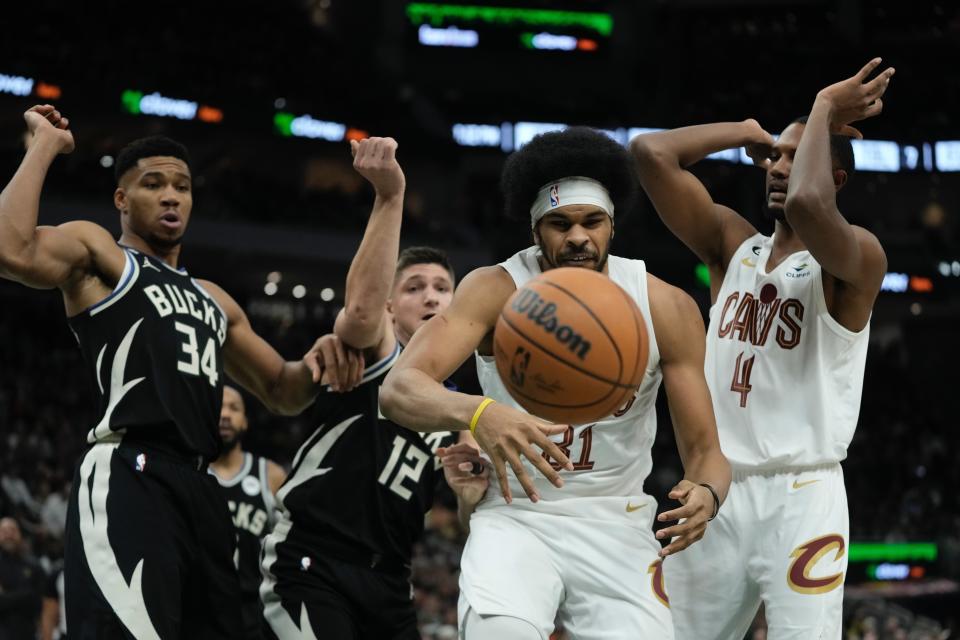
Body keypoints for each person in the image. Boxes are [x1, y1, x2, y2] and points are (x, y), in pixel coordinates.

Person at [0, 105, 361, 639]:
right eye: (153, 184)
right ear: (122, 200)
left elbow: (283, 391)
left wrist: (321, 358)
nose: (172, 195)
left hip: (200, 487)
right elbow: (11, 248)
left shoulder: (214, 298)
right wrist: (44, 146)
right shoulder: (103, 256)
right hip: (130, 470)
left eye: (183, 186)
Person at [381, 126, 731, 639]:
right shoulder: (493, 289)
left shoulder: (664, 305)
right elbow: (398, 389)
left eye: (592, 221)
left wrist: (707, 493)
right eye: (558, 223)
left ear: (613, 226)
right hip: (517, 517)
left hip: (619, 523)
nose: (577, 237)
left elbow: (707, 452)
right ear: (534, 231)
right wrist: (481, 413)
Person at [629, 58, 894, 639]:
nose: (778, 167)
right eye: (774, 156)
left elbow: (807, 207)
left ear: (835, 178)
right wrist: (745, 131)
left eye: (796, 158)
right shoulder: (731, 246)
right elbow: (650, 154)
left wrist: (824, 107)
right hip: (715, 486)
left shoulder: (858, 260)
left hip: (804, 495)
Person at [259, 133, 461, 639]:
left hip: (391, 581)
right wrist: (389, 197)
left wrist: (471, 491)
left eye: (442, 288)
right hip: (312, 561)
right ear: (392, 308)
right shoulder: (374, 354)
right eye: (414, 288)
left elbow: (463, 511)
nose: (431, 297)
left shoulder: (457, 405)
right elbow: (361, 313)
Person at [209, 385, 286, 639]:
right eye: (219, 405)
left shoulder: (271, 476)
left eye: (234, 408)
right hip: (201, 609)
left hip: (254, 613)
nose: (225, 414)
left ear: (245, 422)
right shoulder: (189, 472)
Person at [0, 516, 45, 640]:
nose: (8, 535)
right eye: (4, 531)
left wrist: (7, 596)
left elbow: (40, 602)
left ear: (19, 534)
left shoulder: (34, 565)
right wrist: (26, 594)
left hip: (29, 632)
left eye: (12, 530)